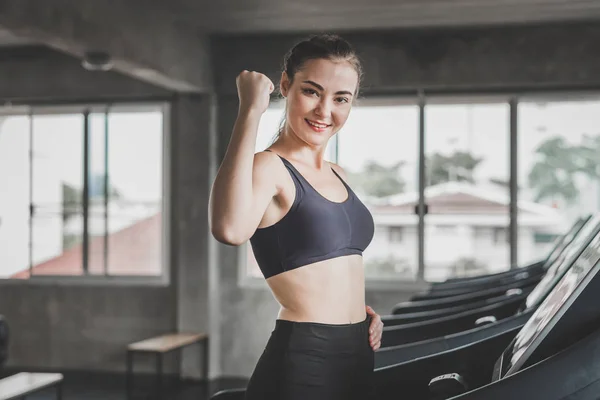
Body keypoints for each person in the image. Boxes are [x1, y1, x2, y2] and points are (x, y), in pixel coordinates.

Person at [209, 33, 384, 400]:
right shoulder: (269, 167)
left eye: (340, 99)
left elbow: (338, 267)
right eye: (311, 91)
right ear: (285, 85)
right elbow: (229, 228)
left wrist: (359, 315)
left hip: (359, 351)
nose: (324, 111)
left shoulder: (340, 174)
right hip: (307, 355)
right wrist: (250, 109)